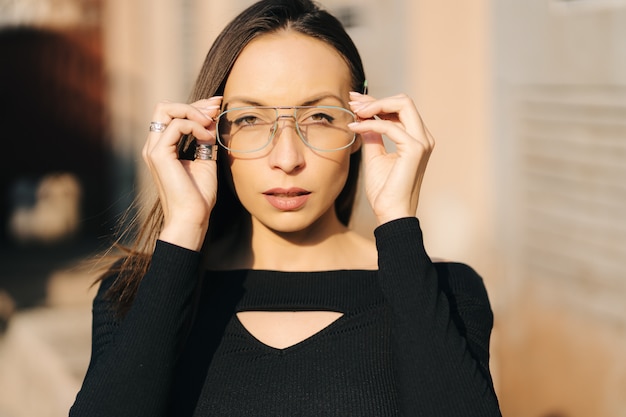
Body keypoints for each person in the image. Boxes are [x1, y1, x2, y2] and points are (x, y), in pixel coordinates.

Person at [70, 0, 502, 416]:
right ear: (210, 133)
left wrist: (398, 225)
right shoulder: (134, 293)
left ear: (360, 126)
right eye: (249, 119)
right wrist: (183, 229)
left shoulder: (445, 291)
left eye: (319, 117)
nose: (287, 158)